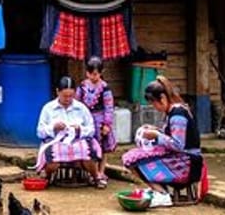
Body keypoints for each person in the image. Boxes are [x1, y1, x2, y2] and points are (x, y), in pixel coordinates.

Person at [121, 75, 202, 206]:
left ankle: (162, 194)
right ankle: (159, 191)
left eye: (154, 103)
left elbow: (178, 144)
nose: (154, 107)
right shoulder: (173, 112)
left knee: (134, 161)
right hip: (181, 157)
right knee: (133, 157)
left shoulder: (177, 115)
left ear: (163, 98)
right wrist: (157, 130)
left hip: (186, 162)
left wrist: (156, 136)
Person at [34, 75, 103, 187]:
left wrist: (80, 129)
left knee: (87, 151)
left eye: (71, 96)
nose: (68, 99)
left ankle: (96, 177)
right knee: (53, 158)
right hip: (55, 141)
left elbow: (91, 130)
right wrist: (53, 128)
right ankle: (46, 175)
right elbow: (40, 132)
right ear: (57, 92)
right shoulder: (48, 108)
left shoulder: (81, 108)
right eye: (65, 96)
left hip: (78, 140)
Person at [76, 55, 116, 188]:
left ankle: (101, 172)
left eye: (96, 74)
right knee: (89, 147)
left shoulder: (105, 88)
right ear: (87, 73)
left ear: (101, 73)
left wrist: (107, 124)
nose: (94, 77)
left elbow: (109, 107)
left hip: (100, 120)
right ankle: (90, 173)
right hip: (86, 120)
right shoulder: (82, 87)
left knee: (103, 148)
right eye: (91, 74)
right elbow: (77, 104)